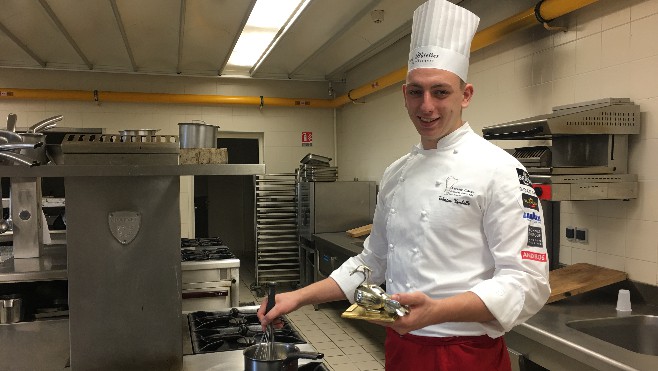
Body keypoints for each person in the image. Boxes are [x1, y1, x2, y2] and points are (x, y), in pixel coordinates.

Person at [258, 0, 551, 369]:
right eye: (416, 91)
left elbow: (527, 282)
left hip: (464, 354)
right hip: (400, 347)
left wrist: (437, 311)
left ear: (466, 95)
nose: (426, 106)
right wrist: (298, 297)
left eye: (440, 92)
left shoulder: (501, 170)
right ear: (404, 94)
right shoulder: (397, 172)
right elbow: (372, 261)